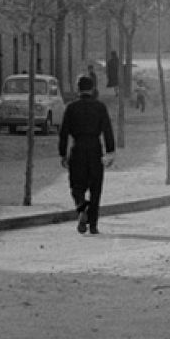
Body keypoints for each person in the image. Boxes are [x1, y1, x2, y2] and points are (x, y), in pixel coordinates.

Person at [58, 75, 115, 235]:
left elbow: (63, 133)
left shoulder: (71, 108)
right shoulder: (100, 107)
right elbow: (107, 130)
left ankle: (82, 207)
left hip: (77, 149)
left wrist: (62, 153)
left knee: (76, 186)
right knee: (96, 188)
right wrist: (110, 151)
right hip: (95, 149)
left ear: (78, 89)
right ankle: (93, 225)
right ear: (92, 88)